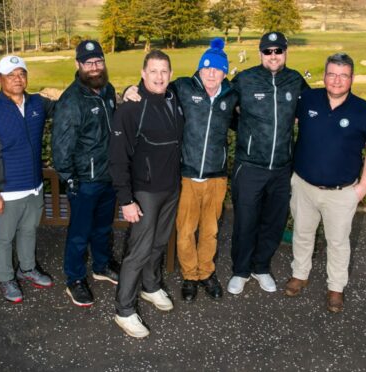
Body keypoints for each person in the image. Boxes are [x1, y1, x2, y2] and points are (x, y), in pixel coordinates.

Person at [124, 38, 238, 302]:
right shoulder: (183, 88)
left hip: (216, 176)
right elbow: (154, 87)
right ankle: (189, 275)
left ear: (224, 71)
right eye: (207, 68)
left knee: (210, 230)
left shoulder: (231, 95)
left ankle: (205, 273)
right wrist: (128, 90)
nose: (211, 73)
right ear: (200, 69)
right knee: (185, 231)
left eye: (217, 69)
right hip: (186, 175)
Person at [285, 53, 366, 313]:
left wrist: (362, 188)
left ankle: (336, 287)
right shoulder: (307, 100)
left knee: (338, 242)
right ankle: (300, 274)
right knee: (302, 234)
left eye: (343, 75)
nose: (336, 80)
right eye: (332, 74)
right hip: (304, 186)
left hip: (341, 193)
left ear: (352, 79)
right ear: (324, 75)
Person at [110, 50, 185, 338]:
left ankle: (151, 286)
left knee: (159, 244)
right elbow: (117, 158)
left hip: (170, 188)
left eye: (164, 71)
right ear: (143, 74)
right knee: (138, 251)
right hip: (144, 192)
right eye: (153, 71)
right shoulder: (131, 107)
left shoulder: (172, 96)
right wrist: (126, 200)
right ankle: (124, 310)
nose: (159, 76)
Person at [228, 32, 309, 295]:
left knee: (273, 222)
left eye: (278, 51)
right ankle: (240, 270)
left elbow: (313, 110)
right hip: (250, 165)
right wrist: (244, 132)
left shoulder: (295, 80)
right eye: (267, 51)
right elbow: (222, 106)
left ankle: (260, 267)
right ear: (260, 53)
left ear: (286, 52)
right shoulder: (245, 79)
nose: (273, 56)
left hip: (282, 167)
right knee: (246, 221)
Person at [0, 55, 54, 303]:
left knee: (29, 230)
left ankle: (27, 269)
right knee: (4, 238)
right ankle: (7, 278)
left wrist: (127, 92)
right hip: (7, 191)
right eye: (11, 75)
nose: (17, 79)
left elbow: (70, 104)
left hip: (34, 187)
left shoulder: (38, 104)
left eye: (21, 74)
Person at [52, 40, 120, 307]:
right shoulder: (72, 100)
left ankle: (101, 266)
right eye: (89, 62)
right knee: (80, 233)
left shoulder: (108, 90)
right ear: (78, 65)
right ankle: (75, 278)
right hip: (84, 181)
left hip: (107, 176)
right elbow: (61, 148)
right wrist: (71, 179)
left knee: (103, 228)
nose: (94, 67)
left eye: (98, 61)